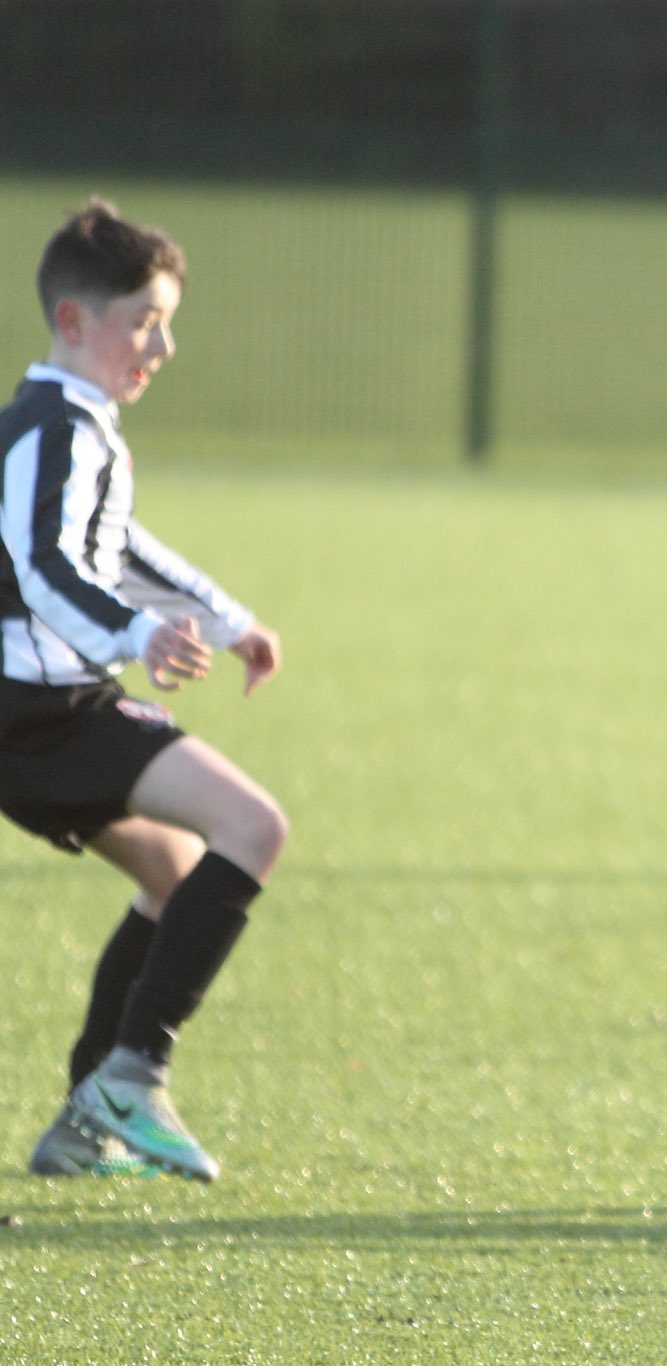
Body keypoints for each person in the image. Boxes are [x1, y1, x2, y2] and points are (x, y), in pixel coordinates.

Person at [2, 199, 288, 1182]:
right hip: (39, 715)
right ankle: (132, 1075)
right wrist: (135, 633)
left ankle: (89, 1116)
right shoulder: (53, 428)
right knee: (254, 828)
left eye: (165, 319)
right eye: (143, 319)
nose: (161, 343)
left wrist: (225, 618)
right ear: (75, 321)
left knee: (172, 873)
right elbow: (44, 564)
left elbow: (116, 547)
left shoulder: (74, 425)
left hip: (37, 716)